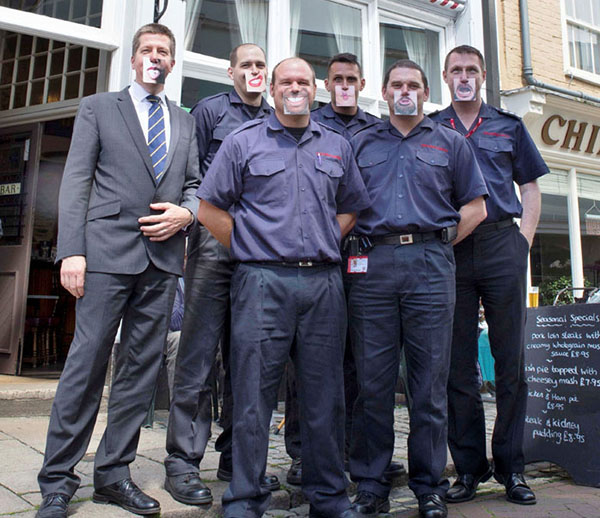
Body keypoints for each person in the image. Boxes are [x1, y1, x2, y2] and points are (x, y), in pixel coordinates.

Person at [36, 23, 200, 518]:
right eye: (148, 50)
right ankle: (57, 481)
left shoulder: (185, 121)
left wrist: (188, 214)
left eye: (164, 52)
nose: (156, 57)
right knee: (85, 368)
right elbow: (76, 181)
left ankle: (113, 474)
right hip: (104, 256)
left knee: (139, 373)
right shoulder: (99, 108)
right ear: (134, 60)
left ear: (172, 63)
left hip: (162, 261)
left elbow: (194, 183)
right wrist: (73, 252)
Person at [197, 57, 371, 518]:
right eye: (285, 81)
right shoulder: (242, 143)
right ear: (272, 89)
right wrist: (255, 246)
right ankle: (245, 498)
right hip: (261, 282)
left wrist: (321, 239)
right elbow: (208, 209)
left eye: (302, 82)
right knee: (253, 395)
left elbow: (352, 206)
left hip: (323, 284)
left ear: (315, 90)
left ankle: (329, 497)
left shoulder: (336, 146)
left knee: (324, 396)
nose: (294, 88)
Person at [347, 59, 488, 518]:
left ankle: (428, 485)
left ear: (426, 92)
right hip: (372, 266)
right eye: (396, 85)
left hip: (430, 264)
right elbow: (341, 204)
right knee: (374, 382)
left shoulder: (451, 143)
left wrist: (443, 240)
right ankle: (372, 484)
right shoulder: (359, 143)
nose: (404, 91)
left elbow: (476, 207)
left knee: (429, 384)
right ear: (384, 93)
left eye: (413, 85)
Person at [430, 45, 547, 506]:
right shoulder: (431, 128)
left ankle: (511, 468)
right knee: (457, 365)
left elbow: (532, 186)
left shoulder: (508, 126)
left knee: (510, 362)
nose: (464, 76)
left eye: (472, 70)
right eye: (456, 70)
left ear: (482, 76)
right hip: (452, 250)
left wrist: (524, 241)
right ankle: (469, 470)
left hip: (502, 244)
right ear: (445, 76)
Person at [164, 43, 278, 506]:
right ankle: (183, 462)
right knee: (197, 351)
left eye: (259, 65)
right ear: (231, 71)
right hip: (213, 238)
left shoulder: (276, 117)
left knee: (248, 354)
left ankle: (237, 457)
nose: (253, 71)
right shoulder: (210, 111)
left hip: (259, 247)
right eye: (246, 65)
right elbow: (191, 174)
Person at [285, 52, 404, 487]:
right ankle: (302, 454)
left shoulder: (377, 129)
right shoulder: (310, 123)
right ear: (325, 84)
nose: (345, 84)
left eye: (352, 78)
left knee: (362, 356)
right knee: (309, 358)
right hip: (316, 251)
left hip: (366, 252)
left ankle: (358, 449)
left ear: (364, 81)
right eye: (337, 78)